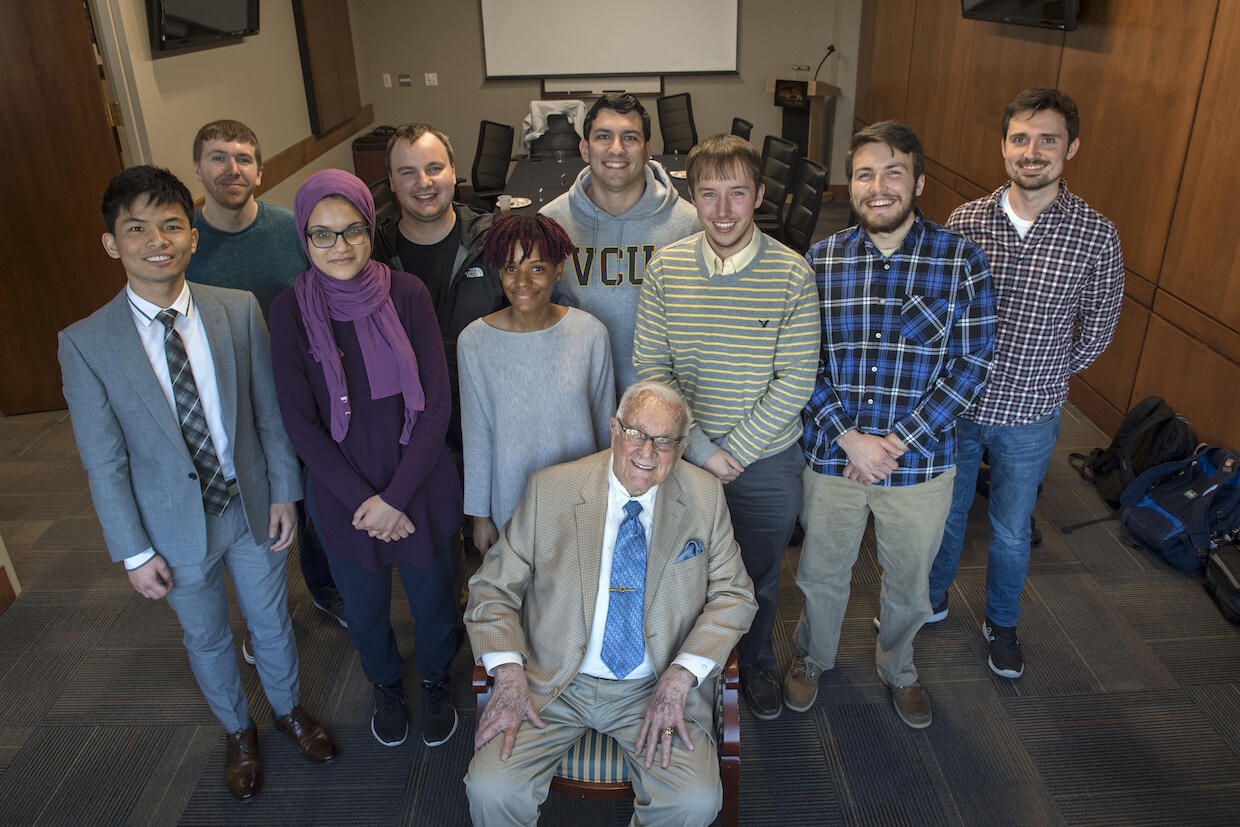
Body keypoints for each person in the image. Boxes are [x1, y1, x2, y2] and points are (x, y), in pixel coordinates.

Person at [58, 165, 336, 801]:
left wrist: (285, 491)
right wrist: (134, 552)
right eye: (137, 229)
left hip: (253, 505)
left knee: (272, 621)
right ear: (111, 243)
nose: (157, 241)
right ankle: (237, 729)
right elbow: (104, 462)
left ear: (192, 236)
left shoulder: (235, 310)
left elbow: (269, 412)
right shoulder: (85, 343)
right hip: (170, 527)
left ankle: (288, 710)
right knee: (206, 636)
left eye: (171, 225)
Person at [464, 382, 757, 826]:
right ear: (615, 429)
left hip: (653, 685)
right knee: (492, 790)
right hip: (553, 681)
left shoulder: (704, 495)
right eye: (637, 434)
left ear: (681, 448)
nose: (648, 452)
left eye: (664, 441)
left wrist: (681, 676)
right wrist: (507, 674)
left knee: (694, 801)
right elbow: (492, 588)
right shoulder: (551, 488)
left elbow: (735, 595)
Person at [783, 122, 996, 729]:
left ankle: (899, 668)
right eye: (865, 174)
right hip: (834, 456)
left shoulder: (961, 260)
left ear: (919, 182)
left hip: (920, 462)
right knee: (820, 572)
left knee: (910, 583)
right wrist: (850, 439)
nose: (878, 187)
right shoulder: (820, 261)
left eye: (893, 173)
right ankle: (813, 658)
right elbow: (800, 361)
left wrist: (894, 445)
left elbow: (971, 365)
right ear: (850, 185)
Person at [927, 89, 1124, 679]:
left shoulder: (1096, 235)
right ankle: (929, 601)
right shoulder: (966, 220)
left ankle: (1001, 622)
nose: (1031, 152)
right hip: (958, 405)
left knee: (1012, 532)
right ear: (1004, 145)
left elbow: (1099, 327)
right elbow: (941, 313)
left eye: (1047, 140)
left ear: (1071, 148)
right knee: (945, 517)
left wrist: (1047, 373)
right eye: (1020, 138)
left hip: (1031, 414)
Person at [268, 170, 463, 749]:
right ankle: (385, 684)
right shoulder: (289, 310)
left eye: (353, 229)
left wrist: (395, 499)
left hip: (418, 481)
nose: (341, 246)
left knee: (434, 604)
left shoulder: (408, 293)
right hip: (343, 493)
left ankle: (434, 681)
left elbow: (437, 404)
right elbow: (300, 424)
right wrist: (367, 503)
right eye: (322, 234)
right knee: (366, 610)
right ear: (304, 237)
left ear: (371, 228)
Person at [632, 133, 820, 721]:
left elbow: (796, 380)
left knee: (757, 576)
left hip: (766, 463)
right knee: (680, 572)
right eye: (708, 193)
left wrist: (734, 452)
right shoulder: (666, 268)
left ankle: (755, 661)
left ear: (760, 195)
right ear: (692, 196)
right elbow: (652, 371)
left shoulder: (792, 274)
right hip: (682, 457)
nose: (722, 209)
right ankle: (687, 671)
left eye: (737, 193)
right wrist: (703, 451)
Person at [185, 119, 345, 631]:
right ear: (198, 168)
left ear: (260, 171)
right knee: (247, 509)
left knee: (313, 497)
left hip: (297, 389)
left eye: (243, 159)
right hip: (223, 400)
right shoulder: (185, 240)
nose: (231, 169)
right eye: (217, 157)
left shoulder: (291, 230)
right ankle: (263, 617)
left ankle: (325, 590)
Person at [457, 213, 615, 554]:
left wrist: (612, 502)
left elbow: (606, 430)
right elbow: (477, 434)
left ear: (558, 271)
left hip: (583, 502)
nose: (522, 281)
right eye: (511, 268)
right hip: (510, 501)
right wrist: (479, 516)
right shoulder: (474, 341)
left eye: (537, 267)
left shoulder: (590, 333)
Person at [541, 93, 700, 392]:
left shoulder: (689, 225)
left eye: (630, 137)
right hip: (578, 394)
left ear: (647, 150)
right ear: (585, 149)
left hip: (662, 400)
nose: (617, 149)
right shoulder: (551, 224)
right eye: (603, 136)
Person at [372, 122, 504, 454]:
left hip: (489, 428)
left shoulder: (495, 242)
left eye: (434, 168)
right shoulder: (373, 256)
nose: (424, 182)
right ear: (391, 181)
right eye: (408, 172)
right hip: (407, 437)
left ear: (453, 171)